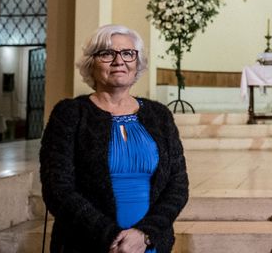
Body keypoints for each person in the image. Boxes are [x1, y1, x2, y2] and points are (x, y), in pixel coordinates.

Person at [40, 24, 189, 253]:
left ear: (137, 62)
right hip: (87, 243)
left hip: (148, 245)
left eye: (128, 53)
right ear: (92, 63)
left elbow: (177, 185)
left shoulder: (159, 115)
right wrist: (110, 237)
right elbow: (57, 188)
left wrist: (145, 234)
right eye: (107, 53)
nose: (119, 61)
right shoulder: (70, 114)